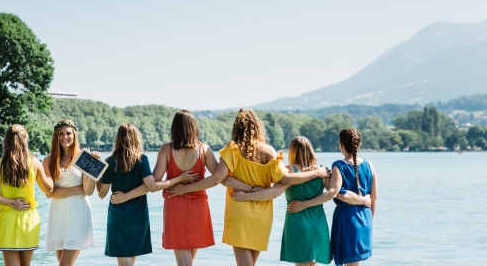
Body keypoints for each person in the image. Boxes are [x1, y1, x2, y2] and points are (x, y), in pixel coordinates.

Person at [205, 109, 330, 266]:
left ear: (236, 128)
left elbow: (219, 178)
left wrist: (248, 189)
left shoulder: (232, 150)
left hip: (238, 206)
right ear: (257, 127)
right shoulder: (268, 151)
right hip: (262, 212)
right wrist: (315, 173)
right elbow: (286, 178)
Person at [232, 136, 368, 266]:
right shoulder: (321, 171)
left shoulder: (289, 171)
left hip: (297, 222)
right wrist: (361, 199)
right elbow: (333, 193)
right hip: (318, 223)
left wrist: (247, 195)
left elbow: (274, 193)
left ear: (292, 151)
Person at [97, 123, 198, 266]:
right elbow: (152, 186)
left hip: (117, 213)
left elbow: (101, 193)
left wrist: (97, 176)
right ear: (136, 139)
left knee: (123, 256)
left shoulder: (110, 162)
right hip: (139, 214)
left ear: (117, 139)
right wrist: (179, 179)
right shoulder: (141, 160)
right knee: (131, 256)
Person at [0, 124, 54, 266]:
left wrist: (10, 202)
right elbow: (49, 188)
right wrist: (49, 169)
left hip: (7, 220)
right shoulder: (35, 163)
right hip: (28, 218)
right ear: (26, 140)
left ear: (6, 141)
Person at [152, 110, 217, 266]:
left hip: (175, 204)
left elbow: (154, 181)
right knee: (188, 260)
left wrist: (178, 182)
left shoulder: (166, 150)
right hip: (199, 206)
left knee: (184, 261)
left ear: (174, 128)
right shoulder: (204, 150)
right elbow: (217, 178)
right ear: (194, 128)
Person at [42, 120, 95, 266]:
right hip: (58, 215)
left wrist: (91, 169)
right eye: (61, 134)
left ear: (74, 135)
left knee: (64, 264)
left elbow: (89, 191)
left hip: (78, 213)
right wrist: (78, 189)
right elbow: (50, 193)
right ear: (56, 137)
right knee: (63, 263)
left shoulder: (84, 157)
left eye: (68, 133)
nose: (65, 137)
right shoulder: (48, 160)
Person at [329, 128, 377, 266]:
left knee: (350, 263)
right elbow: (375, 197)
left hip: (347, 218)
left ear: (341, 144)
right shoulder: (370, 165)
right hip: (366, 217)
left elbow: (338, 193)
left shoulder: (338, 165)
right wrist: (370, 222)